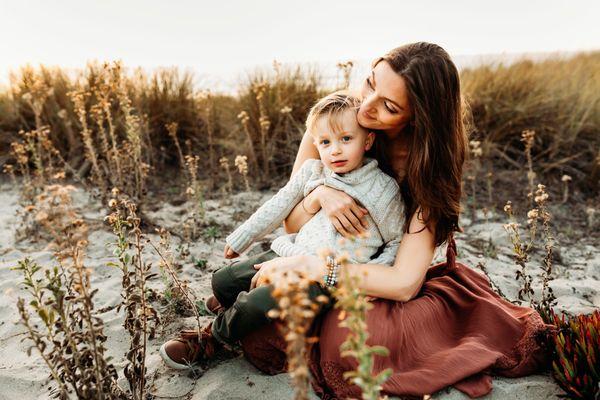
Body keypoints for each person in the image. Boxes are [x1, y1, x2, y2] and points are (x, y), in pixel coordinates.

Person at [163, 42, 557, 398]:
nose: (365, 107)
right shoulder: (334, 116)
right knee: (225, 280)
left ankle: (215, 337)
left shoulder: (426, 173)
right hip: (312, 244)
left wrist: (318, 267)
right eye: (370, 84)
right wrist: (321, 195)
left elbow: (403, 283)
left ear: (418, 119)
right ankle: (244, 301)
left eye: (388, 106)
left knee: (334, 340)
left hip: (371, 272)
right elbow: (292, 223)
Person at [159, 91, 405, 369]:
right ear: (316, 144)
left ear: (368, 140)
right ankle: (235, 305)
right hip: (290, 253)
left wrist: (368, 281)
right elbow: (280, 203)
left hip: (323, 280)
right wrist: (243, 237)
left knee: (255, 305)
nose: (335, 150)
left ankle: (212, 340)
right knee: (222, 281)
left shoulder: (384, 190)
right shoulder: (314, 171)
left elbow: (395, 241)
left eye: (346, 139)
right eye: (325, 142)